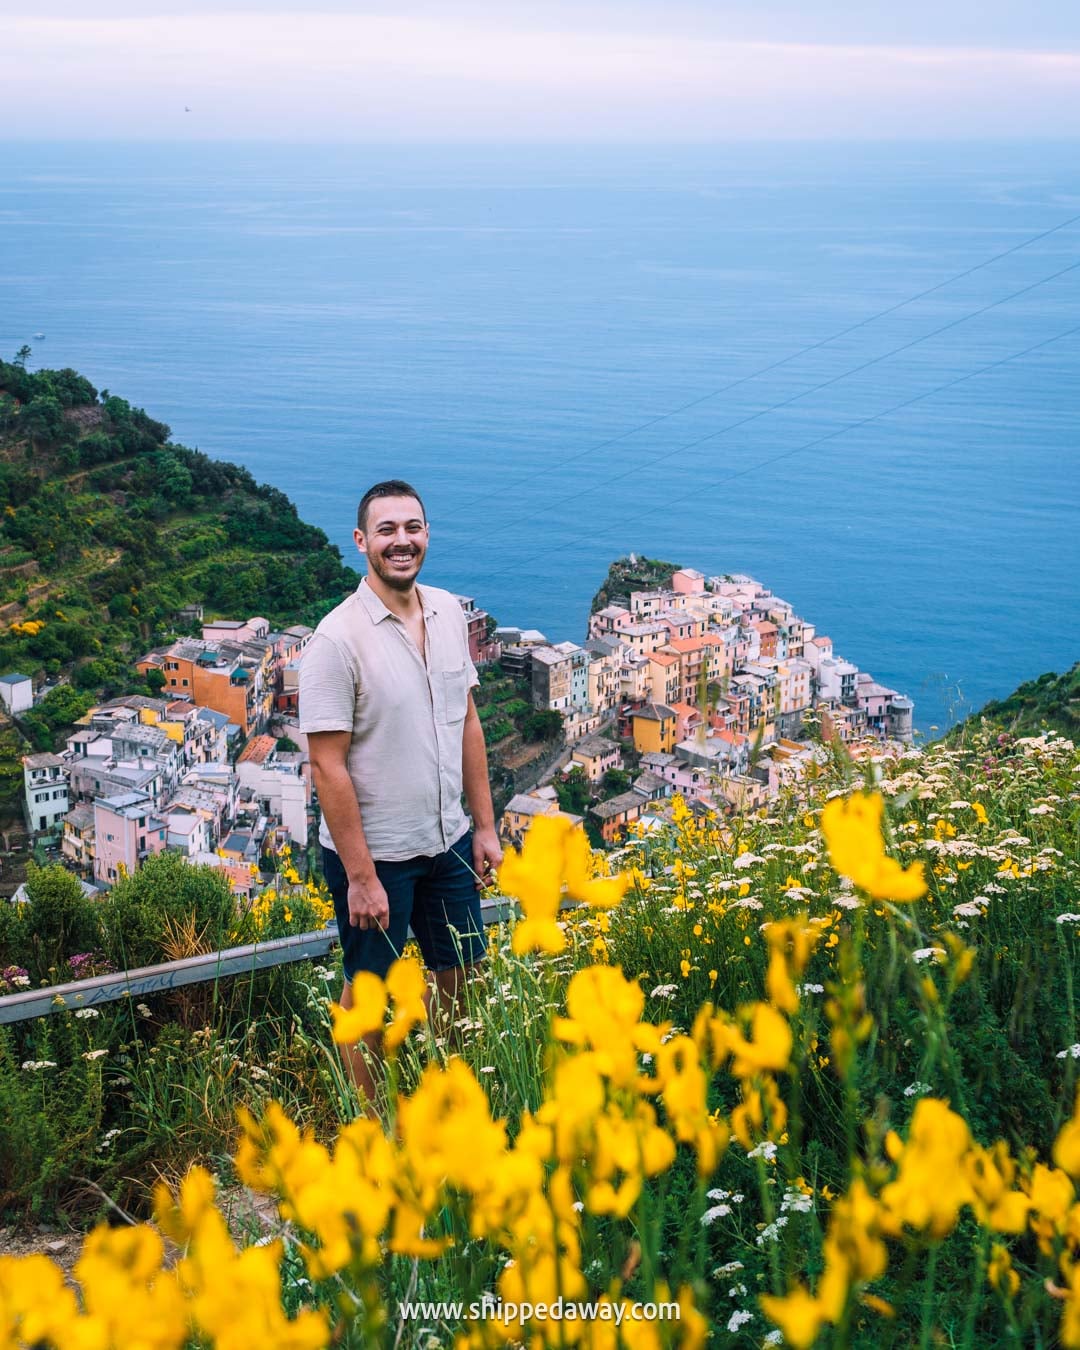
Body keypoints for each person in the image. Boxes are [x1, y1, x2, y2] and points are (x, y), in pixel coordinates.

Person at [299, 479, 503, 1101]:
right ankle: (369, 1129)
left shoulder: (447, 613)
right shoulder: (335, 641)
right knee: (369, 991)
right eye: (386, 530)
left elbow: (465, 719)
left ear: (427, 535)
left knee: (460, 974)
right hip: (378, 857)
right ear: (362, 542)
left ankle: (447, 1104)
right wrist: (361, 877)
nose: (401, 541)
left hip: (447, 840)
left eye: (412, 528)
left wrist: (486, 827)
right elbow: (326, 766)